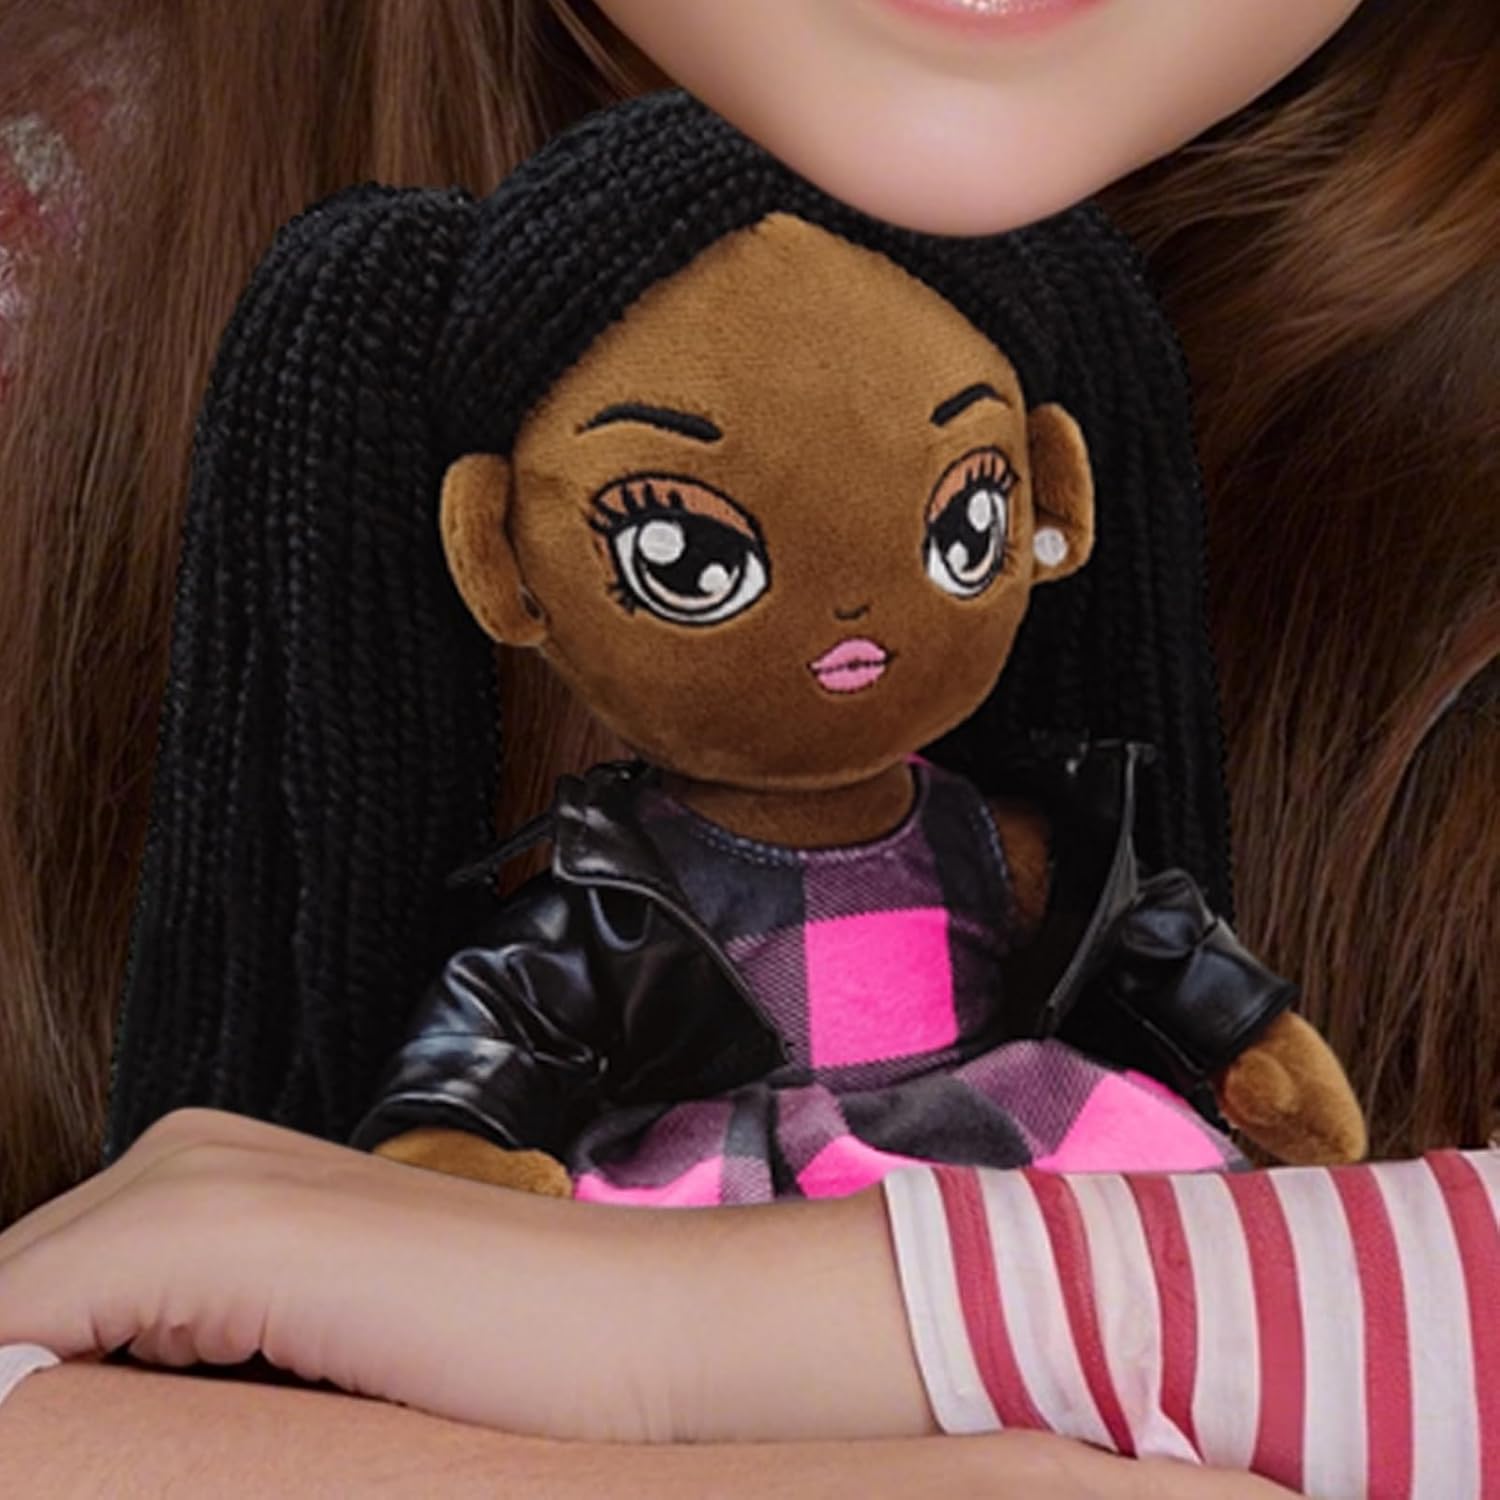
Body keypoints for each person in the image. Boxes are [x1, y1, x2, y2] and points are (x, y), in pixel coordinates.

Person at [0, 0, 1493, 1491]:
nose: (848, 621)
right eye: (687, 551)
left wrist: (703, 1341)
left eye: (960, 525)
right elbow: (509, 1017)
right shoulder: (63, 262)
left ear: (1052, 497)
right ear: (499, 556)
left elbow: (1140, 934)